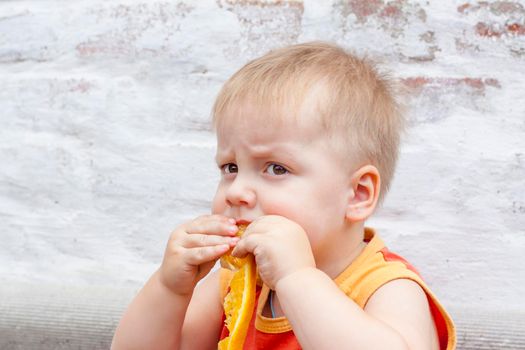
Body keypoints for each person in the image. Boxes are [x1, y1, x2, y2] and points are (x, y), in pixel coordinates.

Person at [111, 41, 456, 350]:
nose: (237, 191)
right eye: (230, 167)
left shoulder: (386, 287)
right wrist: (170, 289)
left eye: (276, 168)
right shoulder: (234, 286)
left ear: (357, 194)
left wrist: (297, 279)